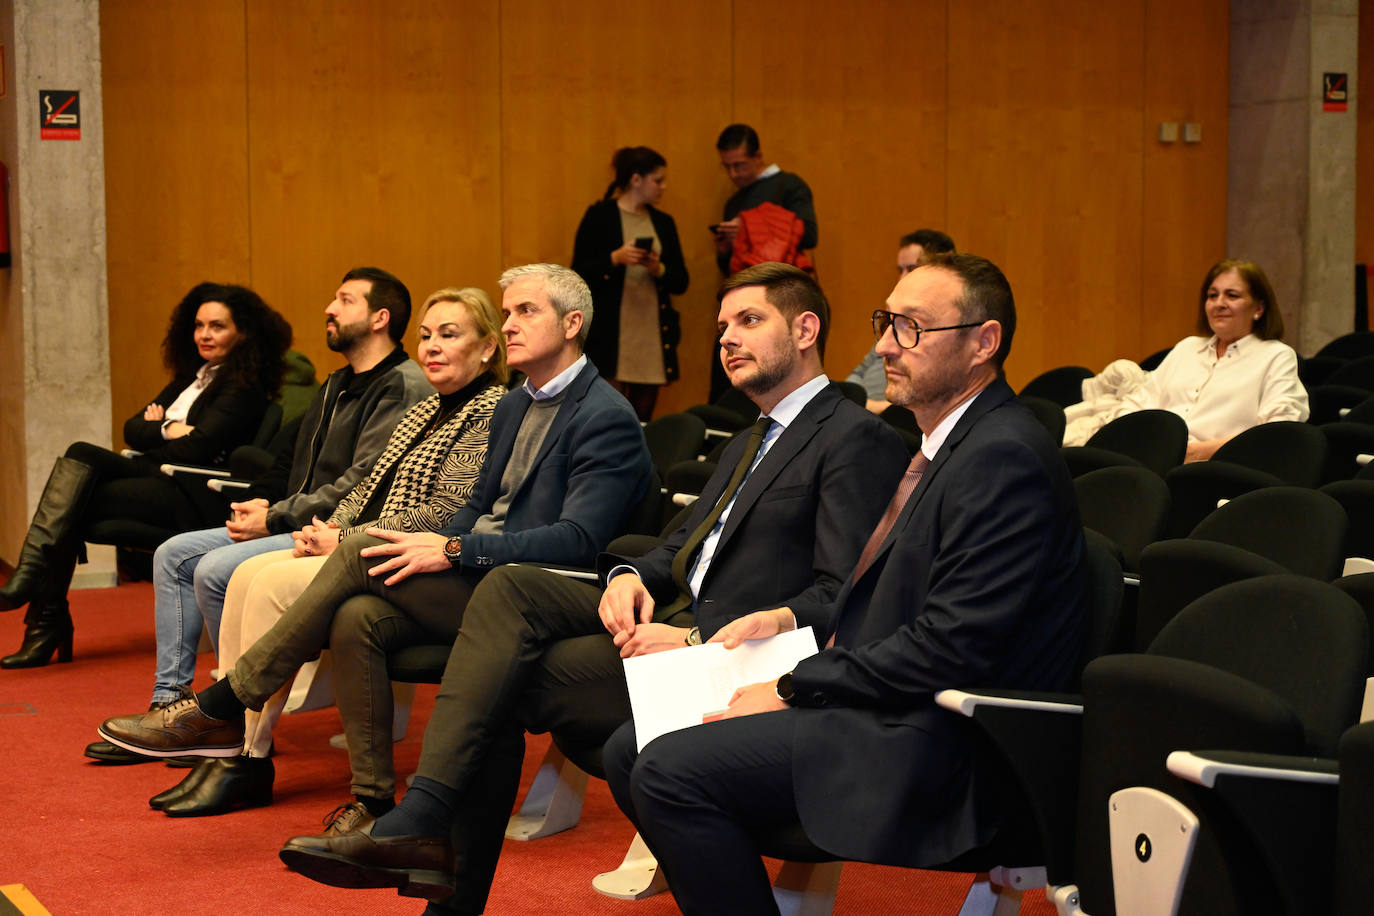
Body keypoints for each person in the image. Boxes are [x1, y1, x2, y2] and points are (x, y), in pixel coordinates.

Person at [269, 262, 911, 910]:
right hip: (667, 626)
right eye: (722, 325)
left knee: (502, 644)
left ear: (805, 329)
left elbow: (841, 597)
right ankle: (431, 853)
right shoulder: (754, 436)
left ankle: (422, 828)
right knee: (495, 668)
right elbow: (675, 546)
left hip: (738, 658)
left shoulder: (854, 439)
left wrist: (694, 633)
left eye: (749, 321)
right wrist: (632, 576)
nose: (727, 339)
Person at [604, 253, 1088, 915]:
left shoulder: (1002, 456)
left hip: (940, 741)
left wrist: (794, 686)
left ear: (984, 342)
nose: (886, 345)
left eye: (912, 328)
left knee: (667, 770)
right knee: (633, 746)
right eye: (885, 323)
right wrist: (787, 647)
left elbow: (951, 647)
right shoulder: (947, 444)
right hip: (888, 702)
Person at [95, 264, 654, 814]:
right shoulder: (516, 404)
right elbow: (476, 508)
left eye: (526, 311)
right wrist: (442, 545)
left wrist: (452, 548)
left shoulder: (605, 413)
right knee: (357, 616)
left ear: (573, 323)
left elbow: (579, 540)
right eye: (507, 312)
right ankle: (372, 800)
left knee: (359, 552)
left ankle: (221, 703)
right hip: (480, 574)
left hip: (538, 590)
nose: (510, 324)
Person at [138, 286, 510, 816]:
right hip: (357, 540)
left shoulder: (493, 411)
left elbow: (445, 511)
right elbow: (368, 483)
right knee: (241, 578)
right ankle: (228, 743)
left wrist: (347, 538)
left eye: (449, 336)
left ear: (488, 347)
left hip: (409, 554)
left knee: (264, 583)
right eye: (426, 335)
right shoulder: (425, 406)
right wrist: (329, 525)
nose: (432, 347)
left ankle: (245, 750)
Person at [83, 266, 430, 765]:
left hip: (336, 530)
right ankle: (171, 705)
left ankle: (226, 715)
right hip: (298, 517)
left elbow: (362, 479)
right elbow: (293, 461)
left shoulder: (400, 385)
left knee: (214, 569)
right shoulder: (337, 383)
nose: (329, 309)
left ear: (380, 318)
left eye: (344, 300)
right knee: (172, 553)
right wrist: (266, 504)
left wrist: (276, 517)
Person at [0, 283, 291, 669]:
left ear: (244, 333)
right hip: (158, 473)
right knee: (80, 461)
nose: (204, 334)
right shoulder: (194, 376)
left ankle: (42, 612)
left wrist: (161, 428)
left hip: (191, 490)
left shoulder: (243, 387)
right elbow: (132, 427)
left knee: (75, 497)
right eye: (199, 325)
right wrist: (172, 430)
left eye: (217, 326)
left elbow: (198, 449)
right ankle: (42, 612)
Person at [1110, 258, 1309, 461]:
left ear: (1258, 308)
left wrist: (1191, 453)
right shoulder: (1186, 348)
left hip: (1216, 467)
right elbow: (1137, 404)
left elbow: (1275, 433)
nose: (1219, 303)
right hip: (1152, 459)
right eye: (1212, 295)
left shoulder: (1276, 356)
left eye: (1232, 295)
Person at [572, 146, 689, 421]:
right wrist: (615, 258)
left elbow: (681, 280)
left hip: (651, 333)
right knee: (605, 414)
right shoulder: (600, 215)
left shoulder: (663, 222)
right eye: (657, 180)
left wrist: (657, 267)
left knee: (643, 419)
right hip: (610, 334)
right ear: (636, 180)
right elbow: (576, 273)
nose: (663, 187)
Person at [709, 124, 818, 401]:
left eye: (740, 165)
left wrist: (750, 227)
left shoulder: (789, 185)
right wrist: (726, 248)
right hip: (743, 293)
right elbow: (733, 269)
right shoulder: (734, 200)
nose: (734, 174)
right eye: (728, 167)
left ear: (758, 156)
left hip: (781, 296)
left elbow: (809, 232)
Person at [848, 228, 956, 414]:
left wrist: (868, 407)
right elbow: (859, 372)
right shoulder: (894, 322)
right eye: (900, 270)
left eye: (911, 269)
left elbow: (927, 397)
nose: (902, 277)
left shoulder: (943, 327)